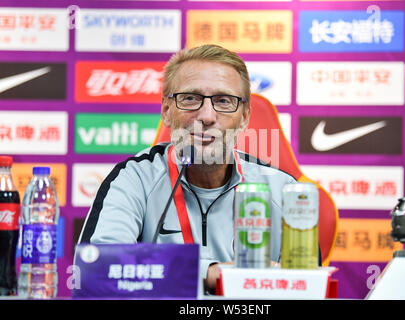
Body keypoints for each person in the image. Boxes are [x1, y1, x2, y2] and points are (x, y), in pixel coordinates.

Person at [78, 44, 301, 293]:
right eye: (190, 98)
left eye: (223, 101)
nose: (206, 115)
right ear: (166, 110)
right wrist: (208, 273)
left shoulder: (284, 190)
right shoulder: (134, 179)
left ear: (245, 116)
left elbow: (308, 288)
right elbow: (95, 269)